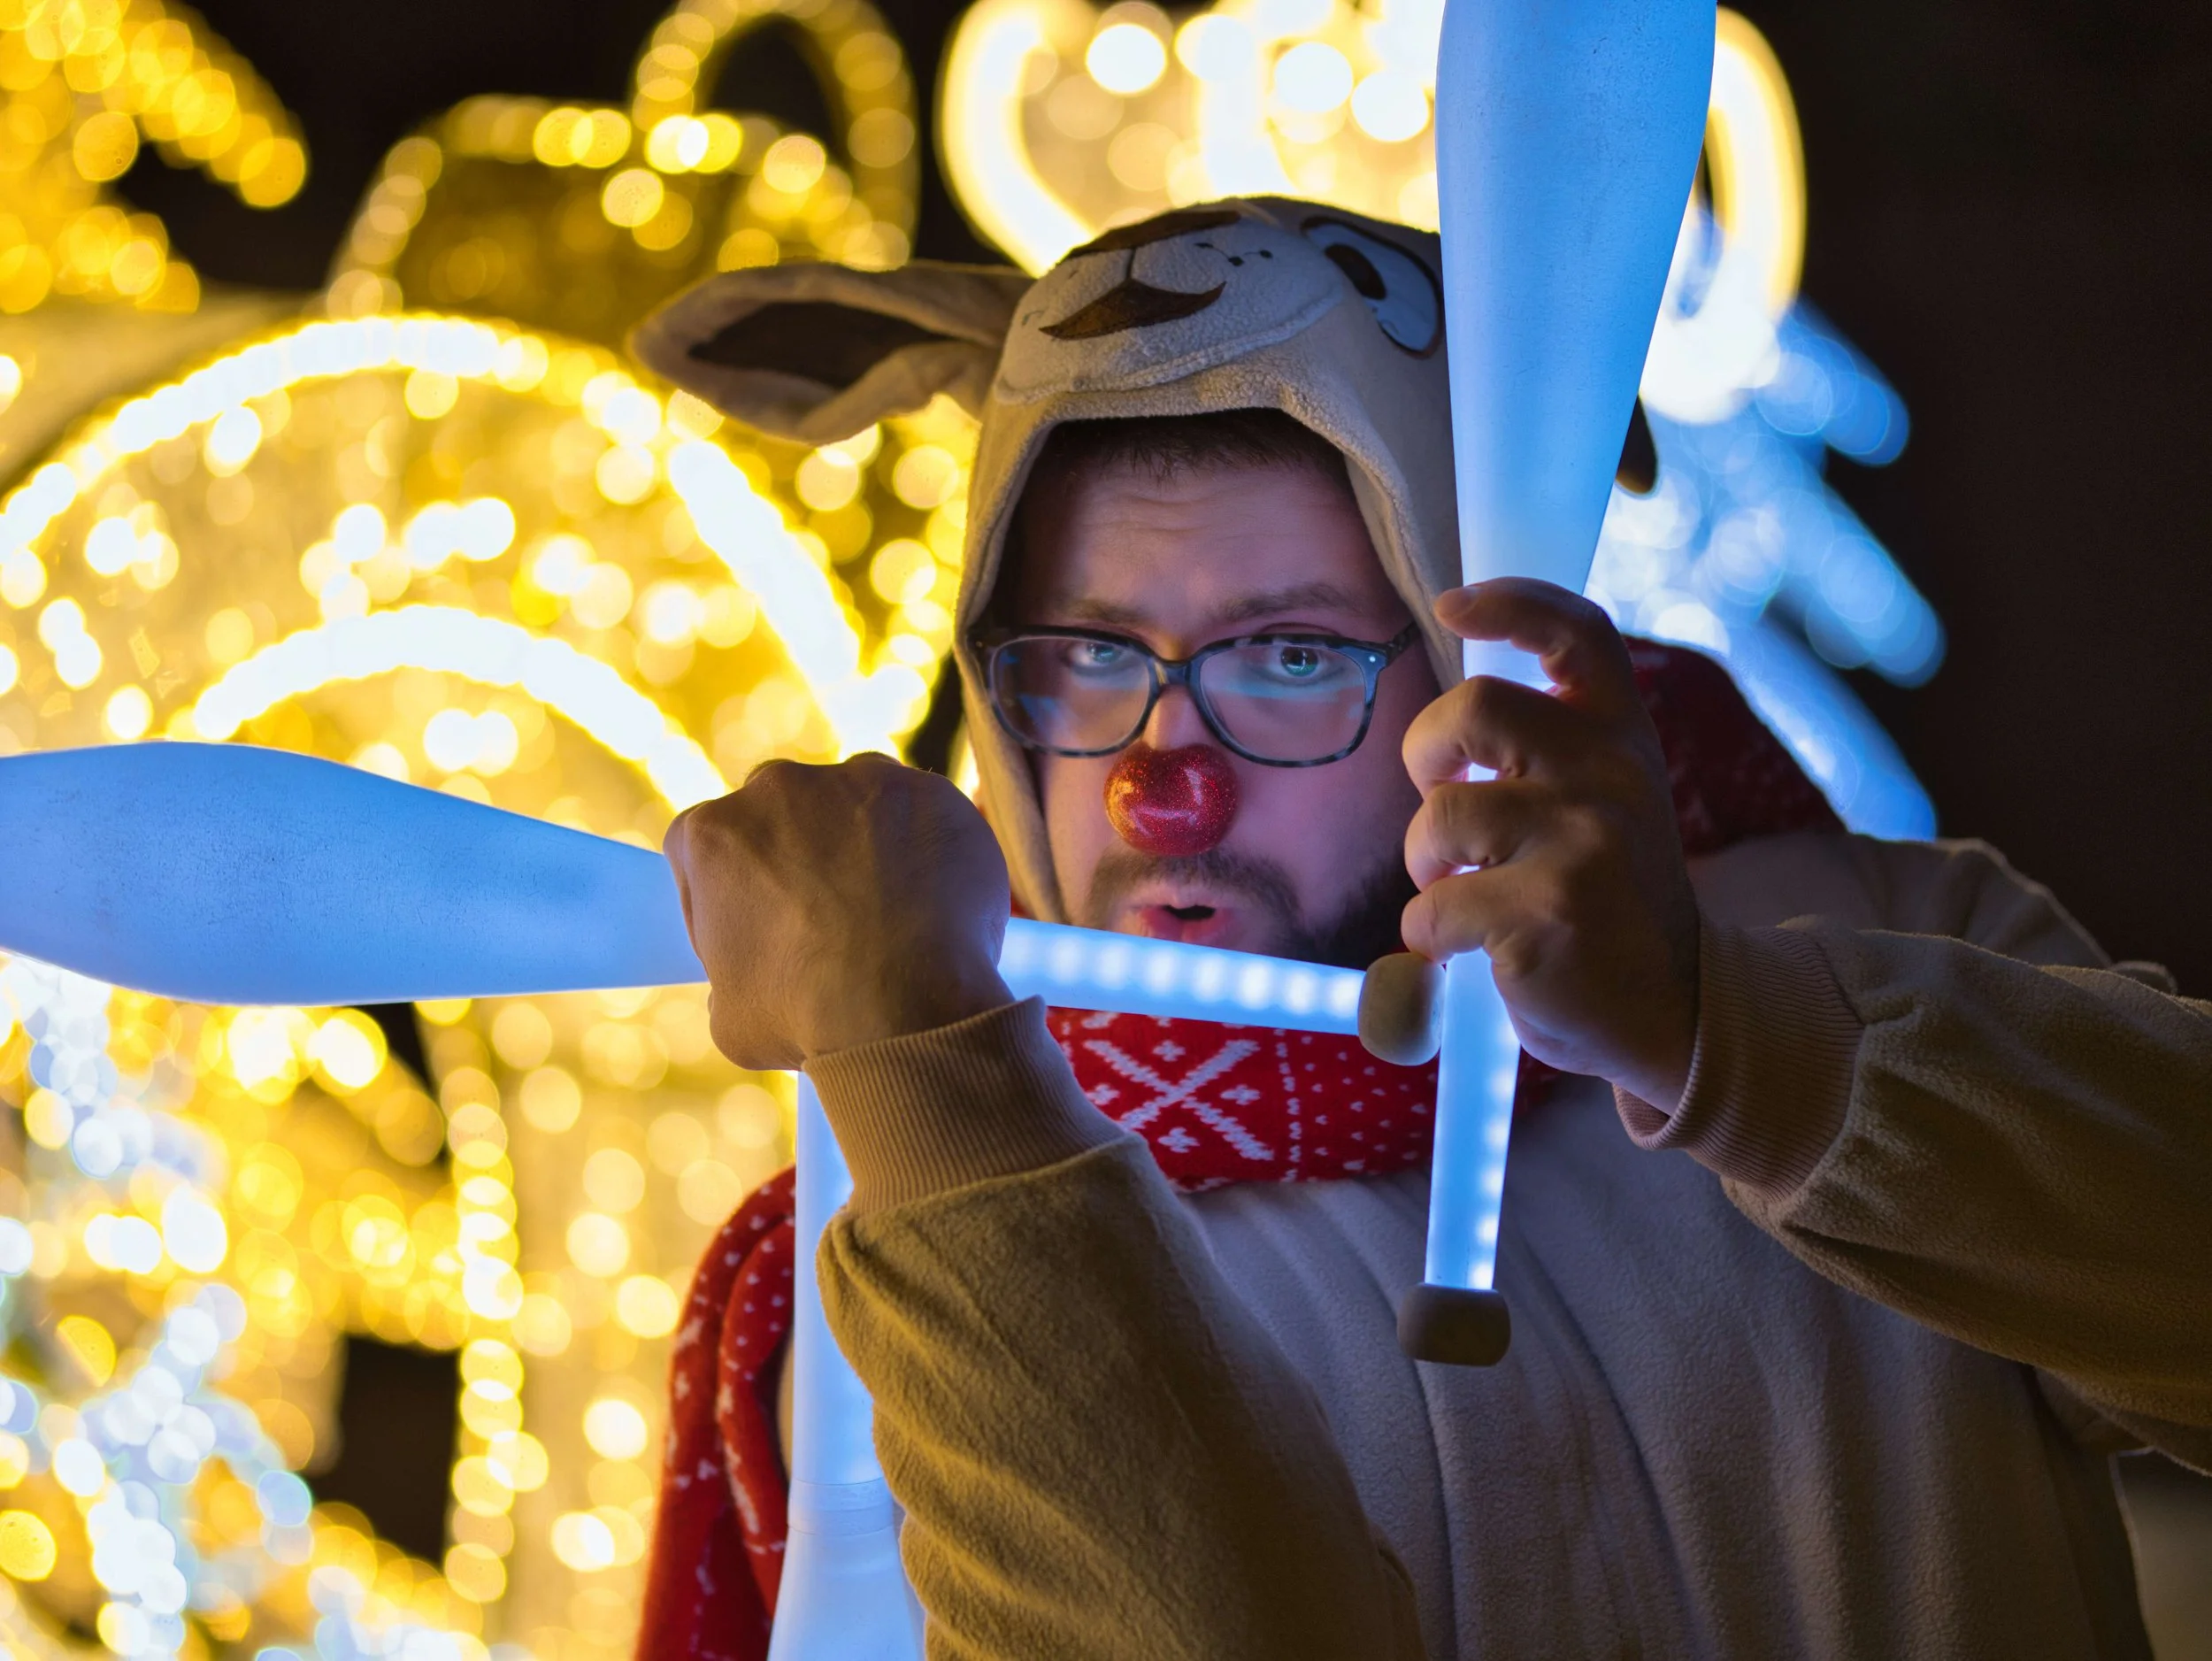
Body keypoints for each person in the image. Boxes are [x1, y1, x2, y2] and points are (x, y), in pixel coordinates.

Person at [628, 200, 2212, 1659]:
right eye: (1088, 660)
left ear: (1480, 662)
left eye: (1292, 659)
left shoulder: (1888, 946)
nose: (1154, 791)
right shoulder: (907, 1231)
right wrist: (938, 1099)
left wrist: (1728, 1039)